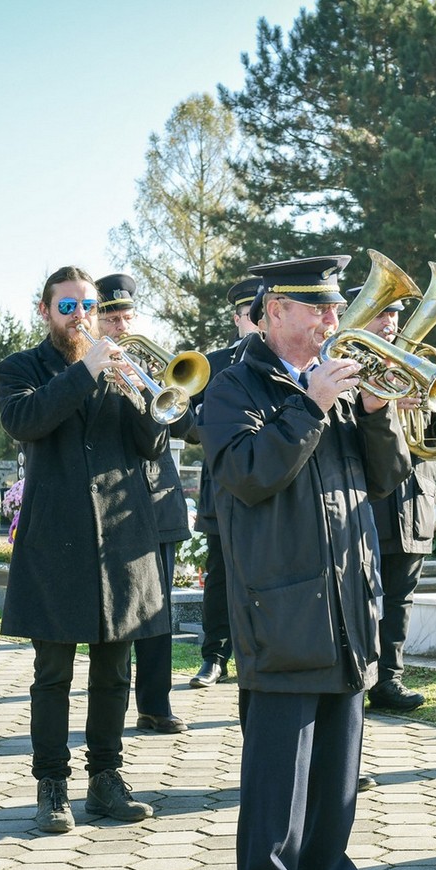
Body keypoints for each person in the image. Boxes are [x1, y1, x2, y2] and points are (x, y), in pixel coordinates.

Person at [199, 254, 411, 870]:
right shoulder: (235, 387)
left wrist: (376, 413)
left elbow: (386, 479)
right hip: (281, 596)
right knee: (280, 759)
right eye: (317, 308)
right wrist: (309, 405)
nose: (331, 319)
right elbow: (250, 474)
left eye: (333, 307)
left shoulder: (344, 382)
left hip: (347, 593)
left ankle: (328, 865)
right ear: (274, 312)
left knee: (341, 749)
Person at [0, 266, 170, 833]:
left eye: (88, 306)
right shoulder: (20, 368)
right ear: (45, 311)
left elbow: (151, 442)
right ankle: (51, 786)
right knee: (52, 674)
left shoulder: (121, 363)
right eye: (67, 306)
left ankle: (106, 779)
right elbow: (26, 421)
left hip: (122, 538)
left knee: (115, 671)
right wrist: (85, 373)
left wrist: (146, 396)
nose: (80, 316)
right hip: (56, 537)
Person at [95, 272, 190, 734]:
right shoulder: (90, 370)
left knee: (159, 611)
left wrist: (159, 386)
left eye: (125, 316)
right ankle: (113, 707)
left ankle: (156, 705)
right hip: (112, 506)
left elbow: (188, 426)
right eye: (110, 316)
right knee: (123, 611)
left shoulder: (154, 368)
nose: (118, 324)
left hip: (158, 503)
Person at [359, 293, 436, 712]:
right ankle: (358, 678)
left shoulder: (421, 364)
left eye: (394, 315)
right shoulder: (357, 368)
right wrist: (385, 410)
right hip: (371, 499)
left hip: (414, 497)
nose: (390, 322)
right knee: (363, 596)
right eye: (382, 313)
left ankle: (390, 681)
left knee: (400, 598)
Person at [188, 278, 263, 690]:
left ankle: (261, 653)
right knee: (219, 574)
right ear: (237, 318)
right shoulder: (212, 363)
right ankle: (214, 657)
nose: (256, 318)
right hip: (222, 484)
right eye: (248, 312)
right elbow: (187, 424)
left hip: (271, 478)